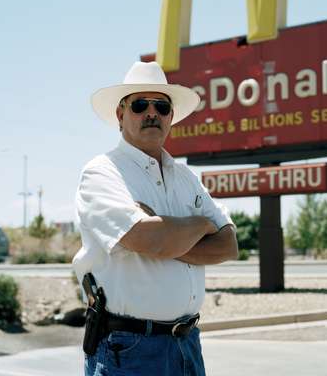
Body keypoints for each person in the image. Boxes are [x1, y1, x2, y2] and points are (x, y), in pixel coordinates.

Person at [72, 61, 238, 376]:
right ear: (120, 115)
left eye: (161, 106)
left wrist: (166, 235)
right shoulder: (102, 172)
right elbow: (147, 238)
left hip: (187, 343)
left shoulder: (186, 176)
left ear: (171, 117)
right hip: (131, 349)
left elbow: (228, 244)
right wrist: (199, 226)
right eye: (139, 105)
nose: (152, 113)